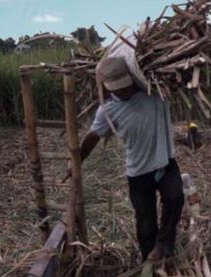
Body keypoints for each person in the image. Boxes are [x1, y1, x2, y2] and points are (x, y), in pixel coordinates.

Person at [79, 57, 184, 263]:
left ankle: (163, 245)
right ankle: (148, 260)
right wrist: (76, 162)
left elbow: (179, 82)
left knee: (176, 197)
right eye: (117, 89)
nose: (123, 92)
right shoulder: (107, 110)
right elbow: (93, 137)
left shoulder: (154, 93)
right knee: (145, 222)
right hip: (138, 172)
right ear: (108, 88)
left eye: (125, 87)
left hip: (165, 162)